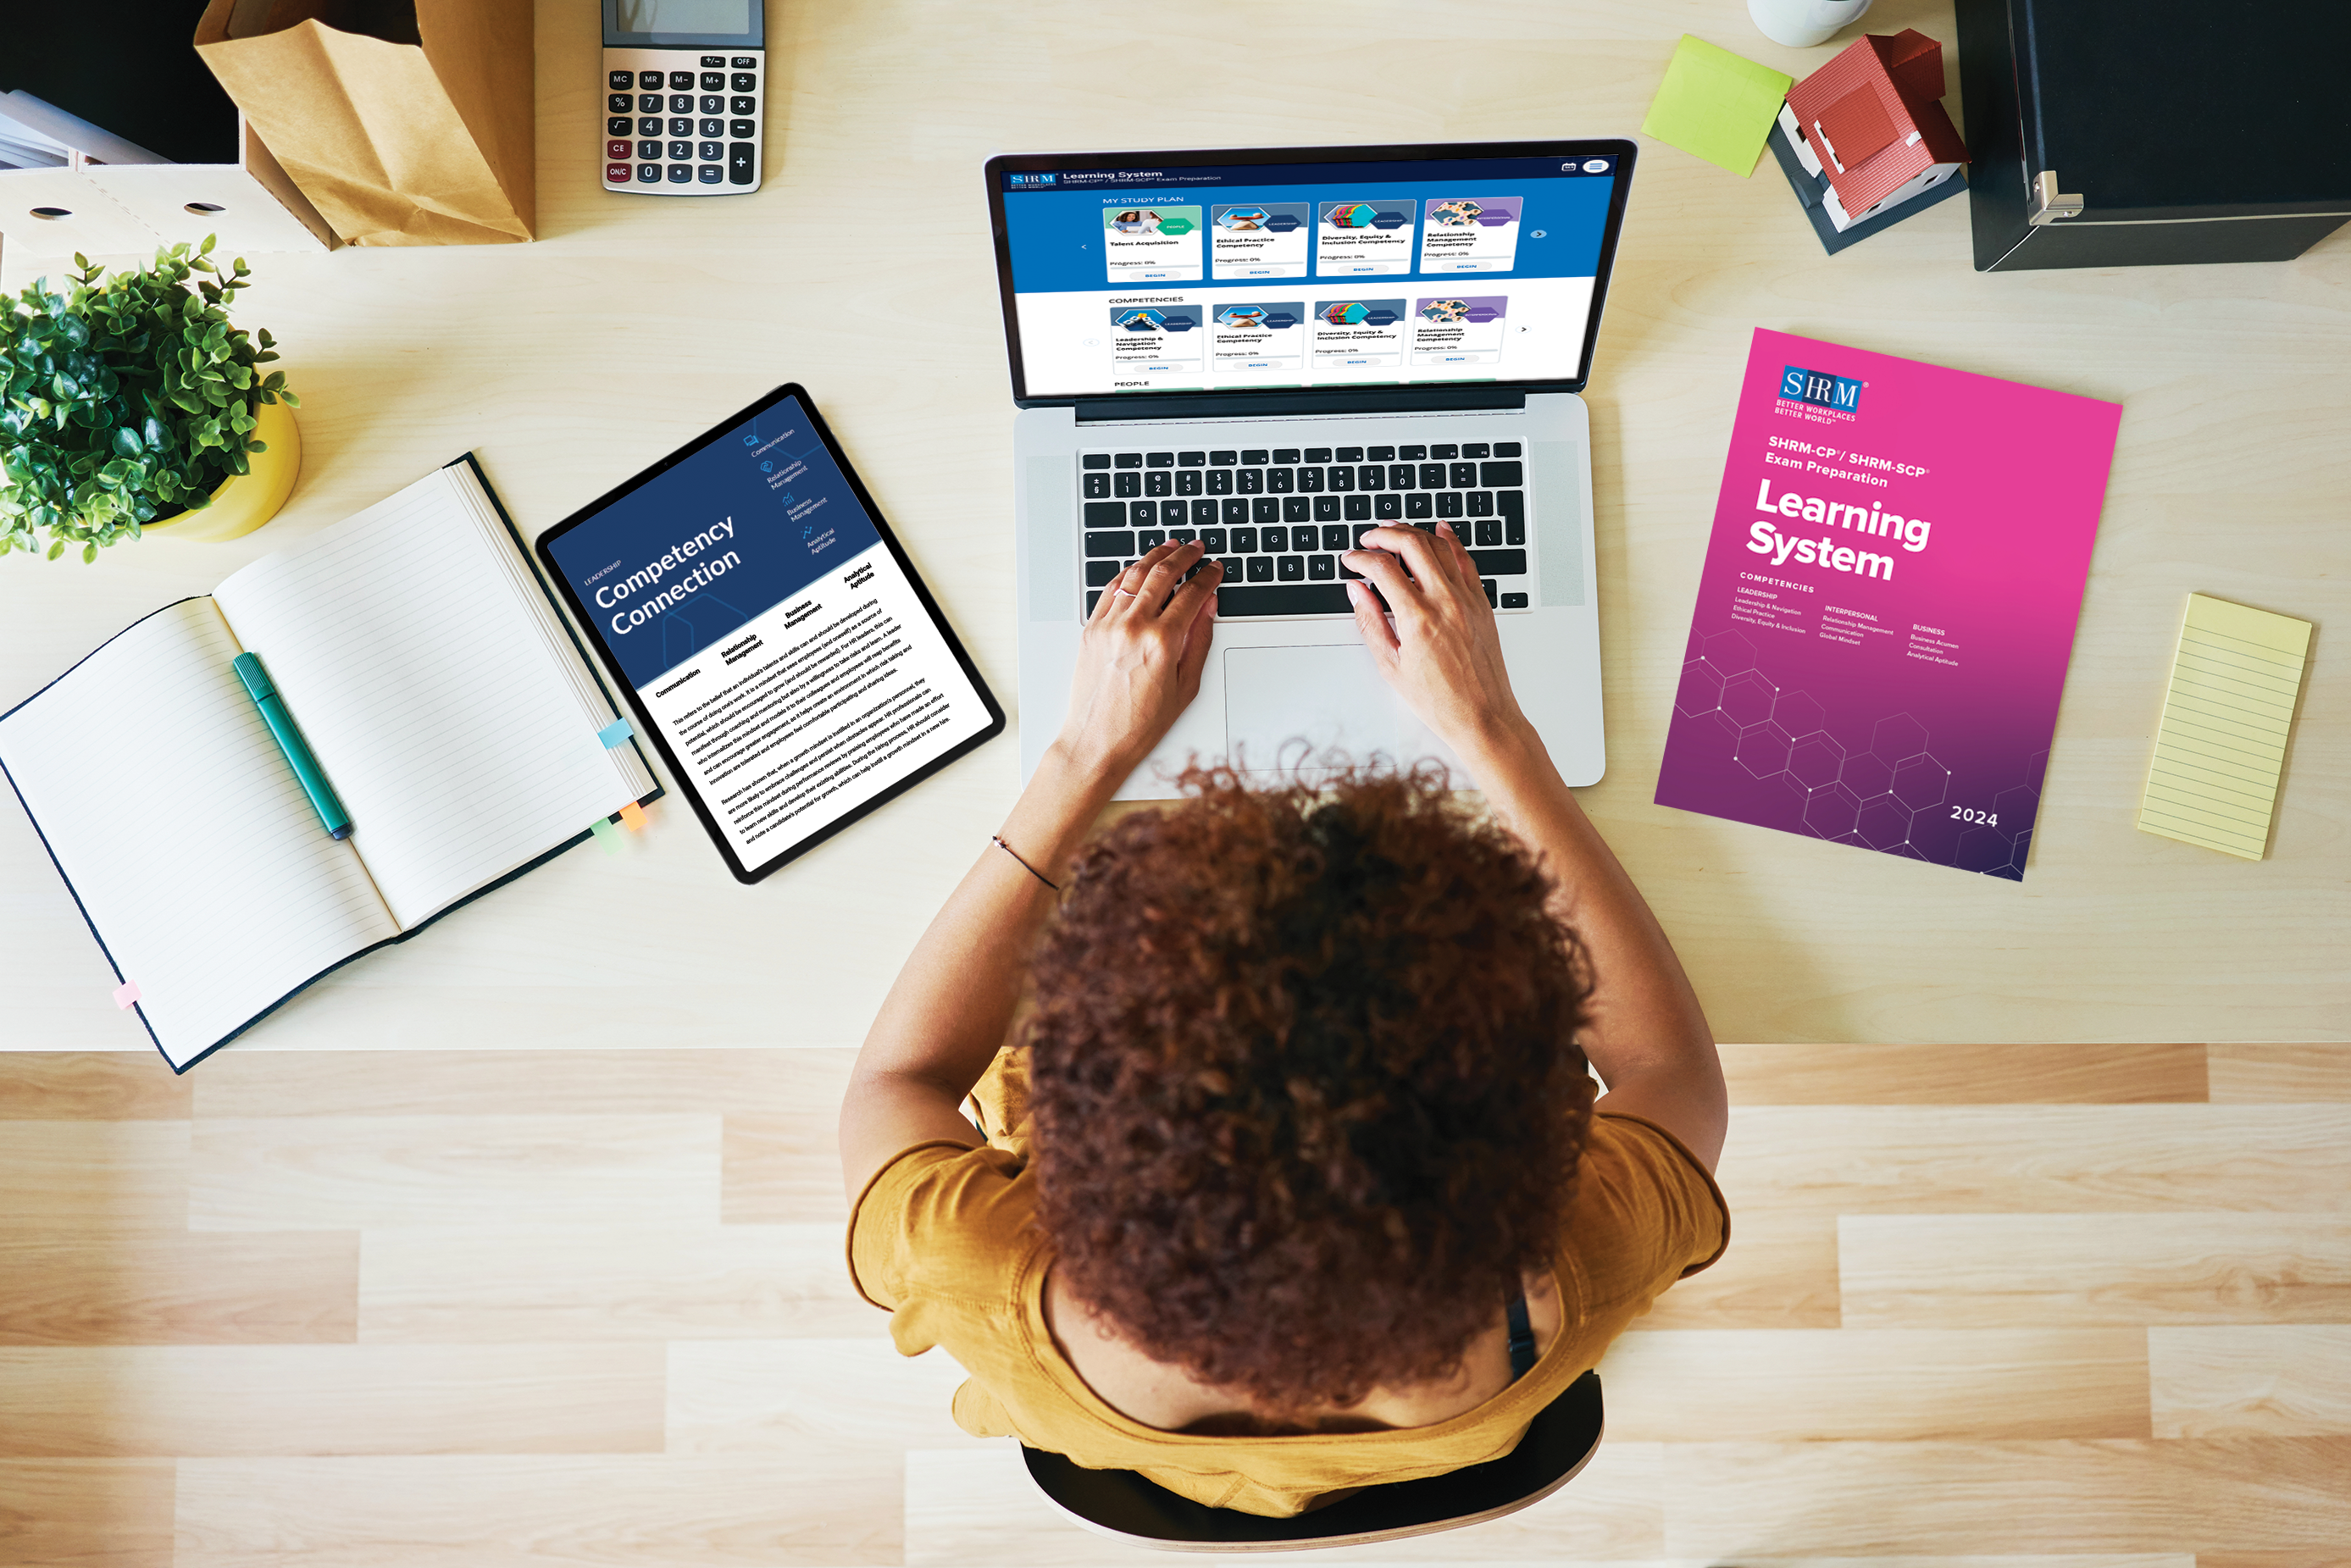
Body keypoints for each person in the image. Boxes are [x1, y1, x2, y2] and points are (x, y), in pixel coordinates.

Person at [840, 528, 1728, 1517]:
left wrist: (1084, 753)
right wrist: (1492, 731)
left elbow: (900, 1080)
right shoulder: (1578, 1268)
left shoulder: (969, 1264)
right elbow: (1669, 1067)